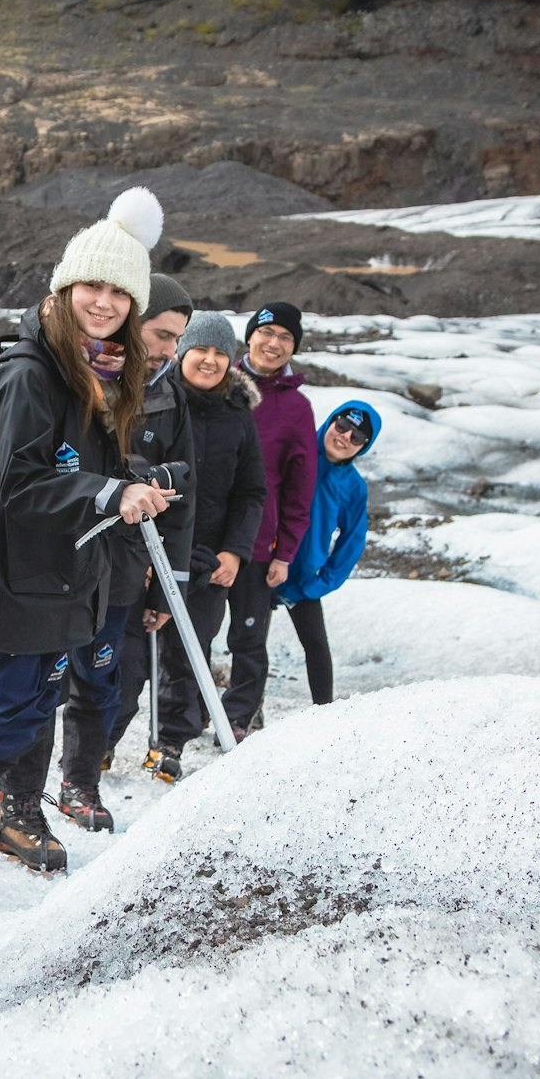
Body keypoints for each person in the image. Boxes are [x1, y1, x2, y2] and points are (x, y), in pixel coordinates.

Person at [0, 187, 172, 890]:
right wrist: (110, 494)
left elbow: (91, 466)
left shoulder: (103, 376)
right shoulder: (31, 374)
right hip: (13, 582)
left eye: (120, 293)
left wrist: (134, 481)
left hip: (68, 579)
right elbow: (16, 484)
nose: (104, 301)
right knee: (6, 718)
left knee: (42, 706)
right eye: (91, 284)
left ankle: (20, 813)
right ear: (64, 287)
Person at [29, 272, 196, 832]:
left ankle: (80, 781)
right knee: (39, 681)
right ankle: (18, 798)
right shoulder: (70, 377)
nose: (171, 350)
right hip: (59, 556)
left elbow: (183, 486)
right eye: (164, 334)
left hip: (123, 564)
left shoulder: (170, 397)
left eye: (177, 340)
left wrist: (167, 583)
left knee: (102, 678)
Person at [109, 310, 266, 780]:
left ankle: (170, 742)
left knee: (189, 653)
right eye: (201, 349)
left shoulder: (239, 418)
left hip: (207, 560)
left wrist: (235, 552)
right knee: (129, 659)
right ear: (182, 350)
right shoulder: (155, 402)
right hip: (147, 553)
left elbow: (251, 492)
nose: (210, 360)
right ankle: (102, 740)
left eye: (221, 353)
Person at [222, 303, 317, 739]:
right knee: (188, 633)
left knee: (248, 639)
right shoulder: (216, 383)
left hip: (260, 543)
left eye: (286, 338)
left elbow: (301, 488)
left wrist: (287, 551)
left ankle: (240, 717)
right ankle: (187, 714)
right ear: (250, 336)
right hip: (203, 534)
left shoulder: (297, 408)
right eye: (267, 332)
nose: (274, 344)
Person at [278, 401, 382, 704]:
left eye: (357, 438)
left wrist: (323, 581)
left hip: (303, 577)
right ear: (331, 421)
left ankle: (324, 715)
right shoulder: (296, 452)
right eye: (342, 426)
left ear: (364, 447)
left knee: (316, 645)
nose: (345, 438)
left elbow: (353, 541)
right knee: (248, 641)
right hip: (262, 562)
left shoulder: (352, 486)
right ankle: (241, 713)